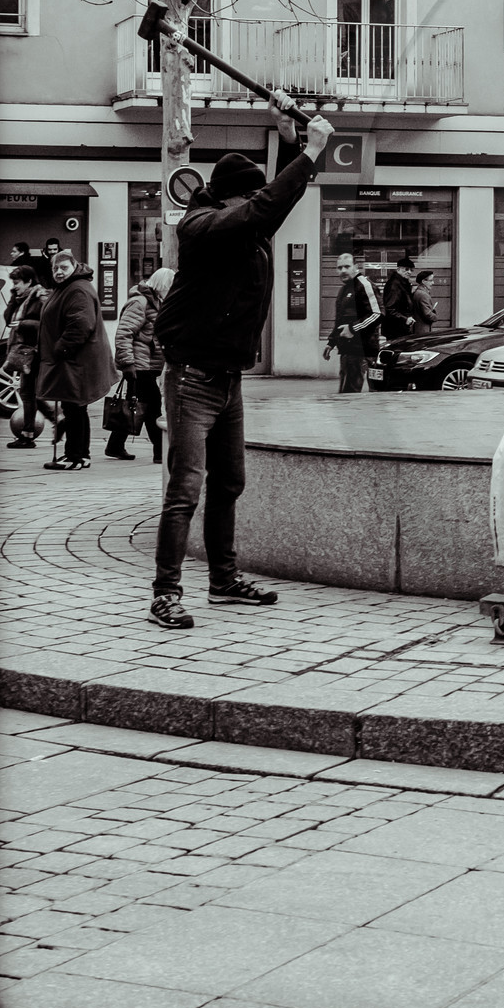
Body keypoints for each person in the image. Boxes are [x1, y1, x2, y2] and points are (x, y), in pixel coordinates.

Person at [149, 91, 334, 630]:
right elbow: (266, 203)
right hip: (191, 379)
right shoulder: (202, 227)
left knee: (229, 482)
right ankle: (165, 593)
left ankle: (223, 580)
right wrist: (312, 153)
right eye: (248, 198)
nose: (258, 206)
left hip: (227, 380)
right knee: (185, 488)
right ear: (230, 199)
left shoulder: (246, 229)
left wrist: (288, 136)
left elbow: (273, 202)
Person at [35, 248, 117, 470]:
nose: (59, 272)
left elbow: (80, 325)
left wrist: (60, 349)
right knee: (76, 408)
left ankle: (75, 457)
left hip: (76, 361)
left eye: (63, 267)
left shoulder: (77, 290)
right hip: (74, 361)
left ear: (74, 266)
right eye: (55, 268)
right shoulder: (69, 287)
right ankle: (80, 455)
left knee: (74, 408)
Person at [105, 266, 174, 462]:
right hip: (139, 365)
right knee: (152, 407)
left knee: (135, 405)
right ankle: (160, 452)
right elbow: (124, 334)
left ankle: (115, 445)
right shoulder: (140, 302)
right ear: (163, 285)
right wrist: (127, 364)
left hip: (148, 365)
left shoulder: (155, 303)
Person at [3, 264, 46, 448]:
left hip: (34, 351)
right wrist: (13, 298)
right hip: (24, 351)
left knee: (29, 393)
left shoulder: (40, 297)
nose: (15, 286)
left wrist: (23, 324)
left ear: (29, 281)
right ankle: (30, 432)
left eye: (17, 282)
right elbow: (8, 320)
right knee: (29, 393)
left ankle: (29, 434)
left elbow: (45, 324)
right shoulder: (20, 298)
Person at [325, 252, 381, 392]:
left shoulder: (364, 285)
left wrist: (352, 328)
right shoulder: (344, 289)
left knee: (350, 395)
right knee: (347, 393)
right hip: (348, 351)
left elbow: (378, 314)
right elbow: (340, 320)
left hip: (362, 350)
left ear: (356, 266)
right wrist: (331, 342)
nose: (343, 271)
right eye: (339, 268)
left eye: (347, 266)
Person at [381, 255, 417, 340]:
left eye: (411, 270)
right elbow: (390, 309)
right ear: (398, 270)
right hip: (396, 330)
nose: (409, 272)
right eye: (406, 269)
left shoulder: (402, 283)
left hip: (398, 328)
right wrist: (405, 319)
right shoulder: (395, 285)